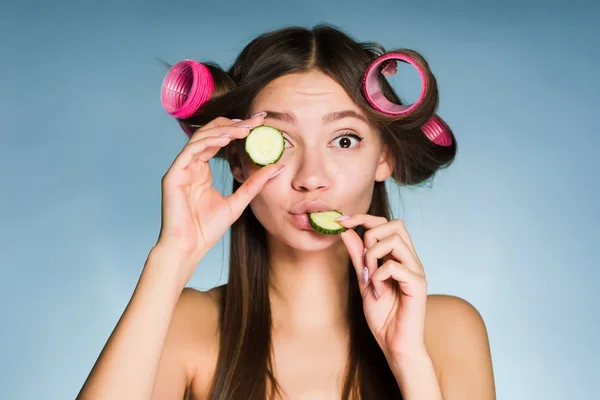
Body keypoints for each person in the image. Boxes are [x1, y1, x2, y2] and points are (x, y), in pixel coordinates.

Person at [77, 24, 495, 399]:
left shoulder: (448, 330)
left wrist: (410, 364)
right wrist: (172, 256)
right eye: (279, 139)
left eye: (344, 140)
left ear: (384, 157)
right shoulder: (187, 324)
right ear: (238, 160)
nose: (311, 178)